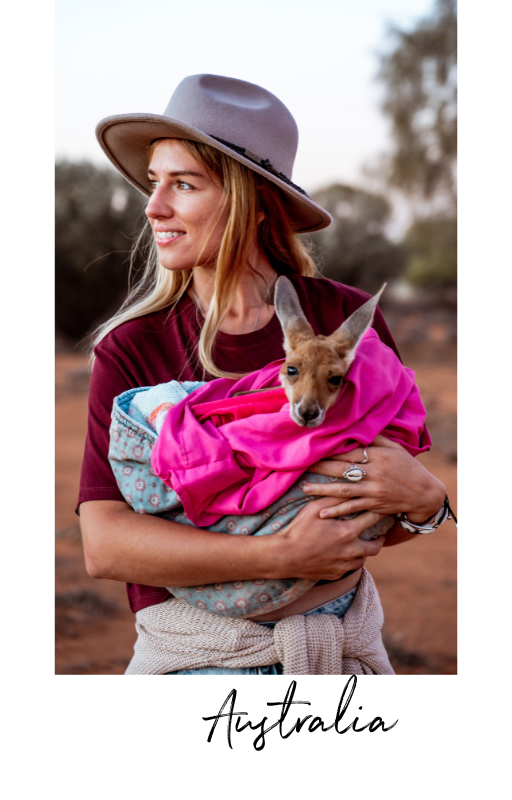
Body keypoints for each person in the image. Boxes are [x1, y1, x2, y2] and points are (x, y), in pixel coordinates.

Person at [78, 74, 447, 675]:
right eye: (154, 183)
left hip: (339, 654)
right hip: (198, 658)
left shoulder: (343, 321)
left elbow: (380, 511)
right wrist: (281, 553)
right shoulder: (133, 346)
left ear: (251, 203)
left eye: (183, 184)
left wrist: (426, 502)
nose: (154, 207)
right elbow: (105, 545)